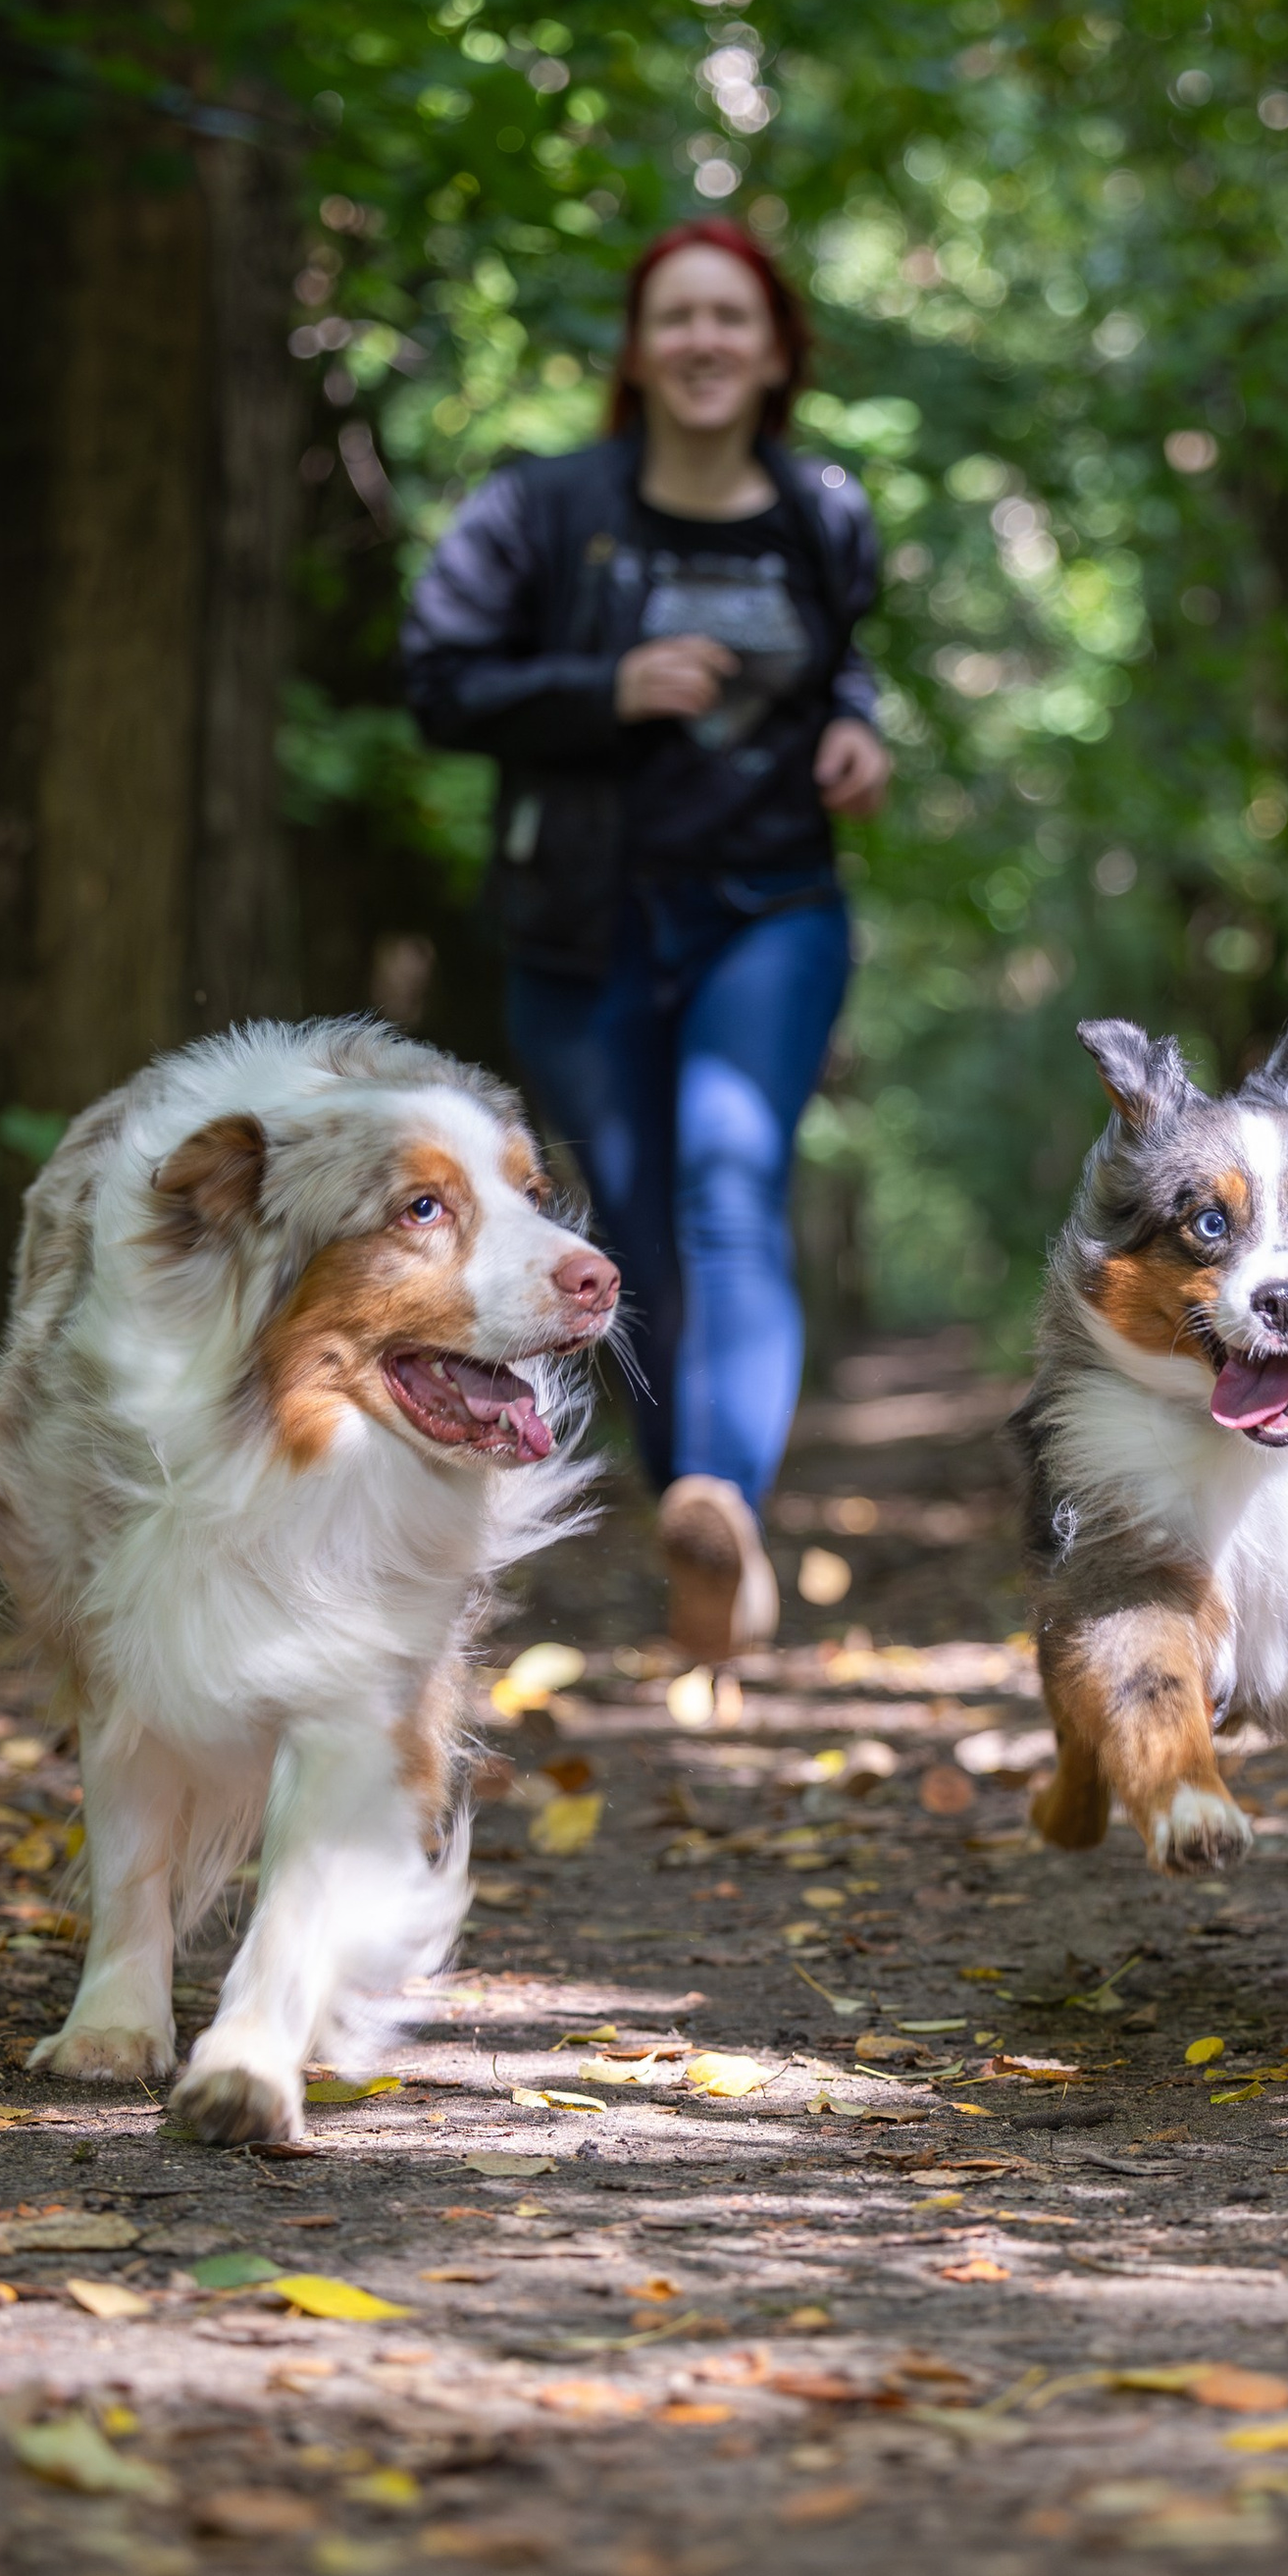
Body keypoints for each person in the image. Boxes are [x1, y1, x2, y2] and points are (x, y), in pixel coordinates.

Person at [399, 220, 890, 1663]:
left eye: (731, 317)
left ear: (778, 350)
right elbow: (438, 680)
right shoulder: (539, 510)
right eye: (675, 316)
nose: (702, 341)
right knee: (628, 1215)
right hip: (583, 918)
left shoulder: (825, 514)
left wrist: (859, 729)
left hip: (772, 909)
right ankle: (698, 1516)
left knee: (731, 1181)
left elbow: (843, 664)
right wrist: (603, 688)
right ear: (636, 349)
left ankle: (719, 1497)